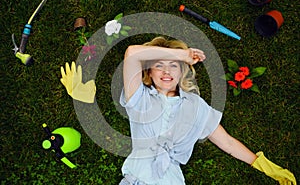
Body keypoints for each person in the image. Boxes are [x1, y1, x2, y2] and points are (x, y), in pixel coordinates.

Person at [60, 37, 296, 185]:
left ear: (183, 71)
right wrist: (181, 55)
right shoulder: (139, 98)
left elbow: (228, 143)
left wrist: (266, 168)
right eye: (158, 65)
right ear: (149, 72)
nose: (166, 71)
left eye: (174, 65)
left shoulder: (196, 106)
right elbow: (132, 54)